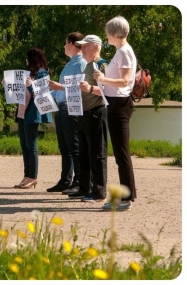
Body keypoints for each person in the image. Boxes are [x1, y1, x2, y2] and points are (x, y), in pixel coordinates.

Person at [93, 16, 137, 211]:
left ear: (114, 33)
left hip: (119, 104)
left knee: (121, 153)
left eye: (108, 32)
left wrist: (103, 78)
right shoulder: (121, 52)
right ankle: (126, 196)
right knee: (120, 152)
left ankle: (126, 198)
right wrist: (102, 80)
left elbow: (125, 80)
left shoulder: (124, 52)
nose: (106, 36)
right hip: (116, 103)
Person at [63, 35, 108, 202]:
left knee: (97, 153)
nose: (82, 49)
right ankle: (84, 187)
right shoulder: (87, 66)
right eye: (80, 46)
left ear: (96, 47)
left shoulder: (102, 65)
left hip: (96, 112)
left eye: (85, 46)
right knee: (84, 154)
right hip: (84, 113)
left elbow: (108, 90)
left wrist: (90, 89)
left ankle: (99, 192)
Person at [1, 47, 52, 189]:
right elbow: (17, 90)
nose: (26, 60)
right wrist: (8, 85)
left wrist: (30, 87)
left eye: (27, 57)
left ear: (33, 58)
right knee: (24, 146)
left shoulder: (42, 73)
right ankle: (26, 175)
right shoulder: (28, 73)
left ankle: (33, 176)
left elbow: (41, 94)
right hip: (22, 113)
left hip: (32, 113)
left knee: (32, 145)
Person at [47, 32, 87, 193]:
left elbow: (79, 88)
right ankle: (65, 180)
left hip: (73, 107)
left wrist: (59, 87)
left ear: (71, 43)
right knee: (64, 147)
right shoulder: (69, 64)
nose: (64, 46)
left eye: (65, 42)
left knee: (74, 146)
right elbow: (60, 92)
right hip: (62, 107)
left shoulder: (81, 63)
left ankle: (78, 181)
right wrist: (45, 95)